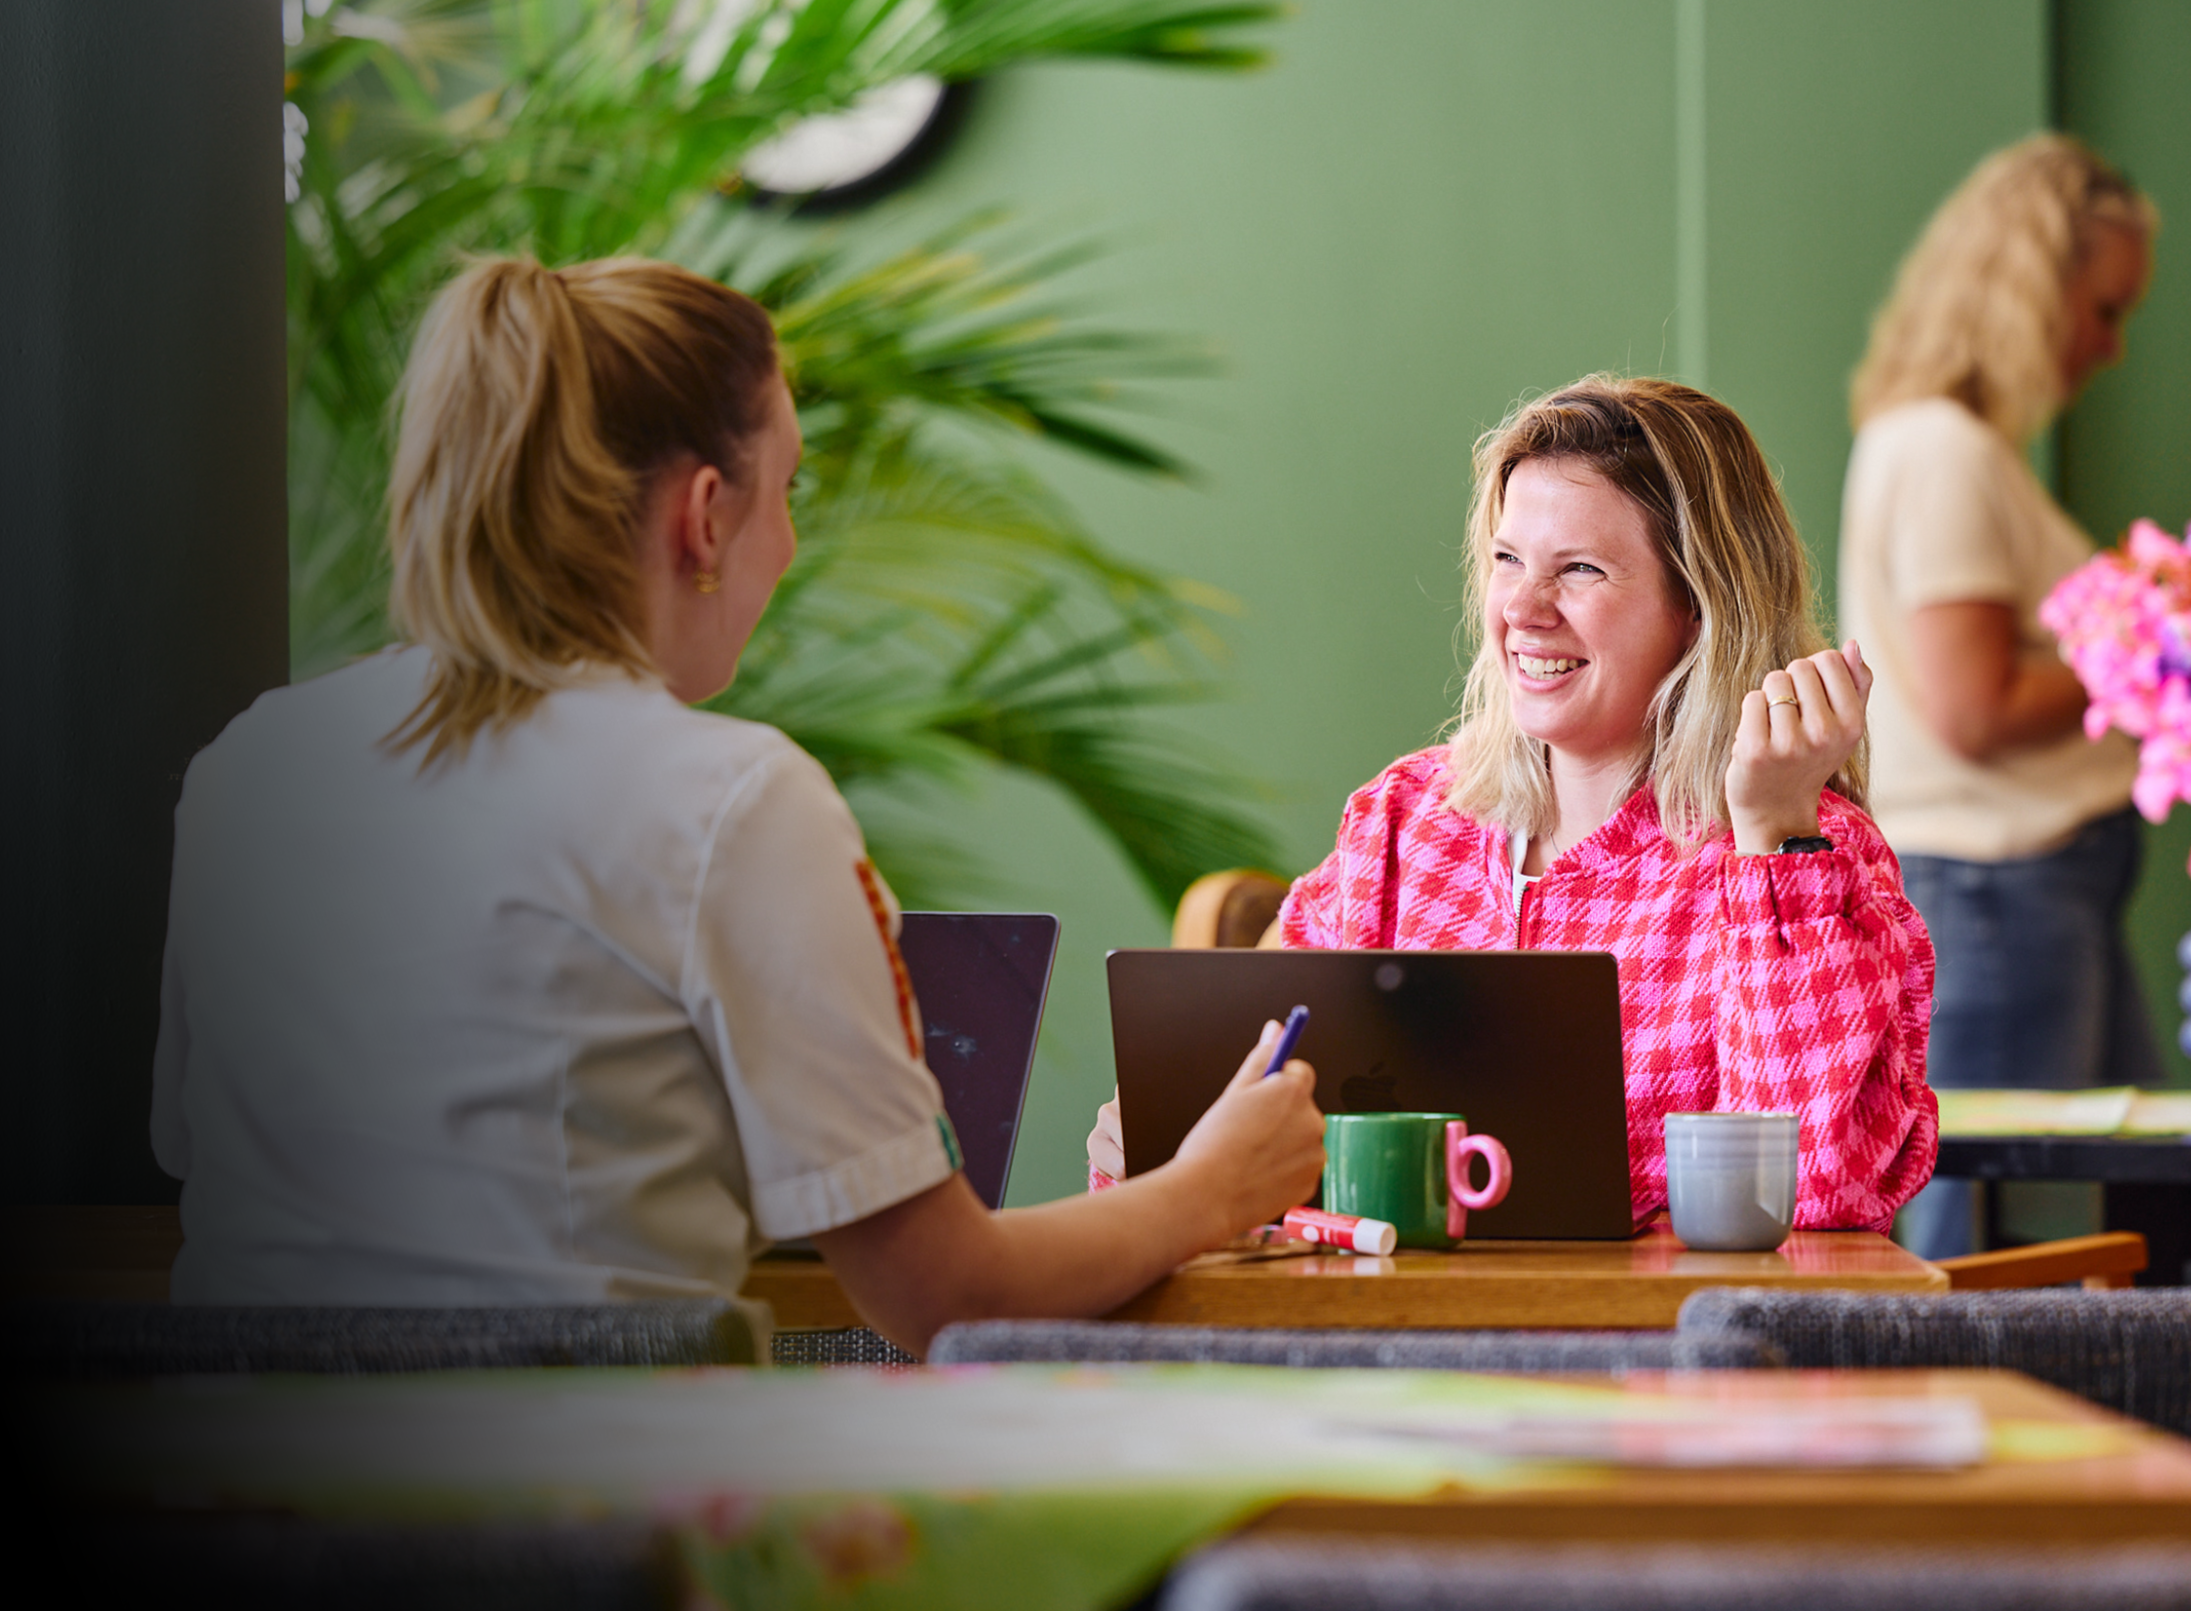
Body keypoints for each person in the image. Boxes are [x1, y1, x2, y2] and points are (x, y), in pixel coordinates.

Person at [150, 256, 1324, 1353]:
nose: (791, 541)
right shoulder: (733, 798)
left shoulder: (249, 765)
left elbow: (207, 1158)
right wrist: (1207, 1189)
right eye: (787, 489)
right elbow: (945, 1298)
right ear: (703, 516)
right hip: (580, 1524)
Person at [1092, 377, 1938, 1232]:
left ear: (1698, 608)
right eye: (1507, 560)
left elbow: (1814, 1197)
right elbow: (1237, 1093)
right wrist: (1161, 1139)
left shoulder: (1806, 848)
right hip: (1379, 1349)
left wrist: (1771, 836)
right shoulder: (1405, 821)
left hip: (1645, 1351)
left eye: (1579, 570)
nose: (1525, 612)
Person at [1838, 134, 2160, 1259]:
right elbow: (1968, 705)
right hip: (1998, 896)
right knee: (1967, 1239)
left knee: (2140, 1209)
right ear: (2036, 290)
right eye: (2104, 310)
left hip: (2030, 892)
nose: (2110, 348)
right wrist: (2160, 656)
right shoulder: (1942, 453)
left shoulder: (1948, 449)